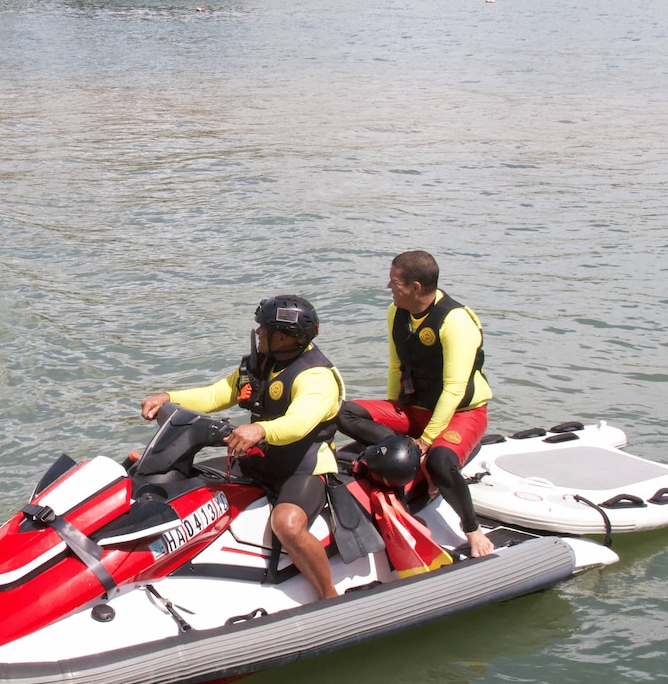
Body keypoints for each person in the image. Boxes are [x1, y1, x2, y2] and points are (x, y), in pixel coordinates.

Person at [141, 295, 344, 602]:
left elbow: (300, 423)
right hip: (258, 459)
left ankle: (329, 597)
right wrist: (169, 397)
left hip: (302, 467)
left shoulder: (317, 377)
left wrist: (261, 428)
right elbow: (216, 395)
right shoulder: (259, 363)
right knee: (188, 485)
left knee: (287, 525)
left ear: (283, 337)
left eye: (263, 329)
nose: (257, 332)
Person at [336, 250, 495, 557]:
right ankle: (403, 450)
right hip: (414, 410)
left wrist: (425, 443)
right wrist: (394, 412)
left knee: (438, 464)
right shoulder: (396, 313)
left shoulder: (455, 321)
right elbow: (396, 366)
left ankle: (473, 529)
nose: (388, 287)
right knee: (343, 412)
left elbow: (454, 389)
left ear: (416, 288)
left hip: (461, 414)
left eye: (395, 282)